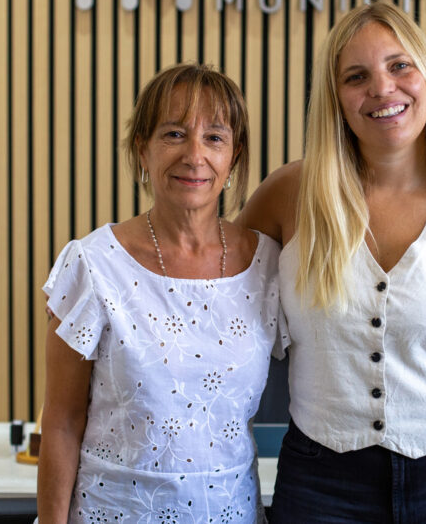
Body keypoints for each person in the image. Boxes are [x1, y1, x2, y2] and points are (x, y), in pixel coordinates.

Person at [239, 2, 426, 523]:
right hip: (320, 488)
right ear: (335, 99)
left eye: (400, 65)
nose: (382, 88)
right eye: (356, 77)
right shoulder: (288, 197)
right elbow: (214, 301)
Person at [37, 63, 284, 524]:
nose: (195, 155)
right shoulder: (93, 264)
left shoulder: (268, 265)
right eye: (174, 134)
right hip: (113, 512)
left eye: (214, 137)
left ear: (233, 156)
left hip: (231, 512)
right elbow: (62, 422)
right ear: (141, 148)